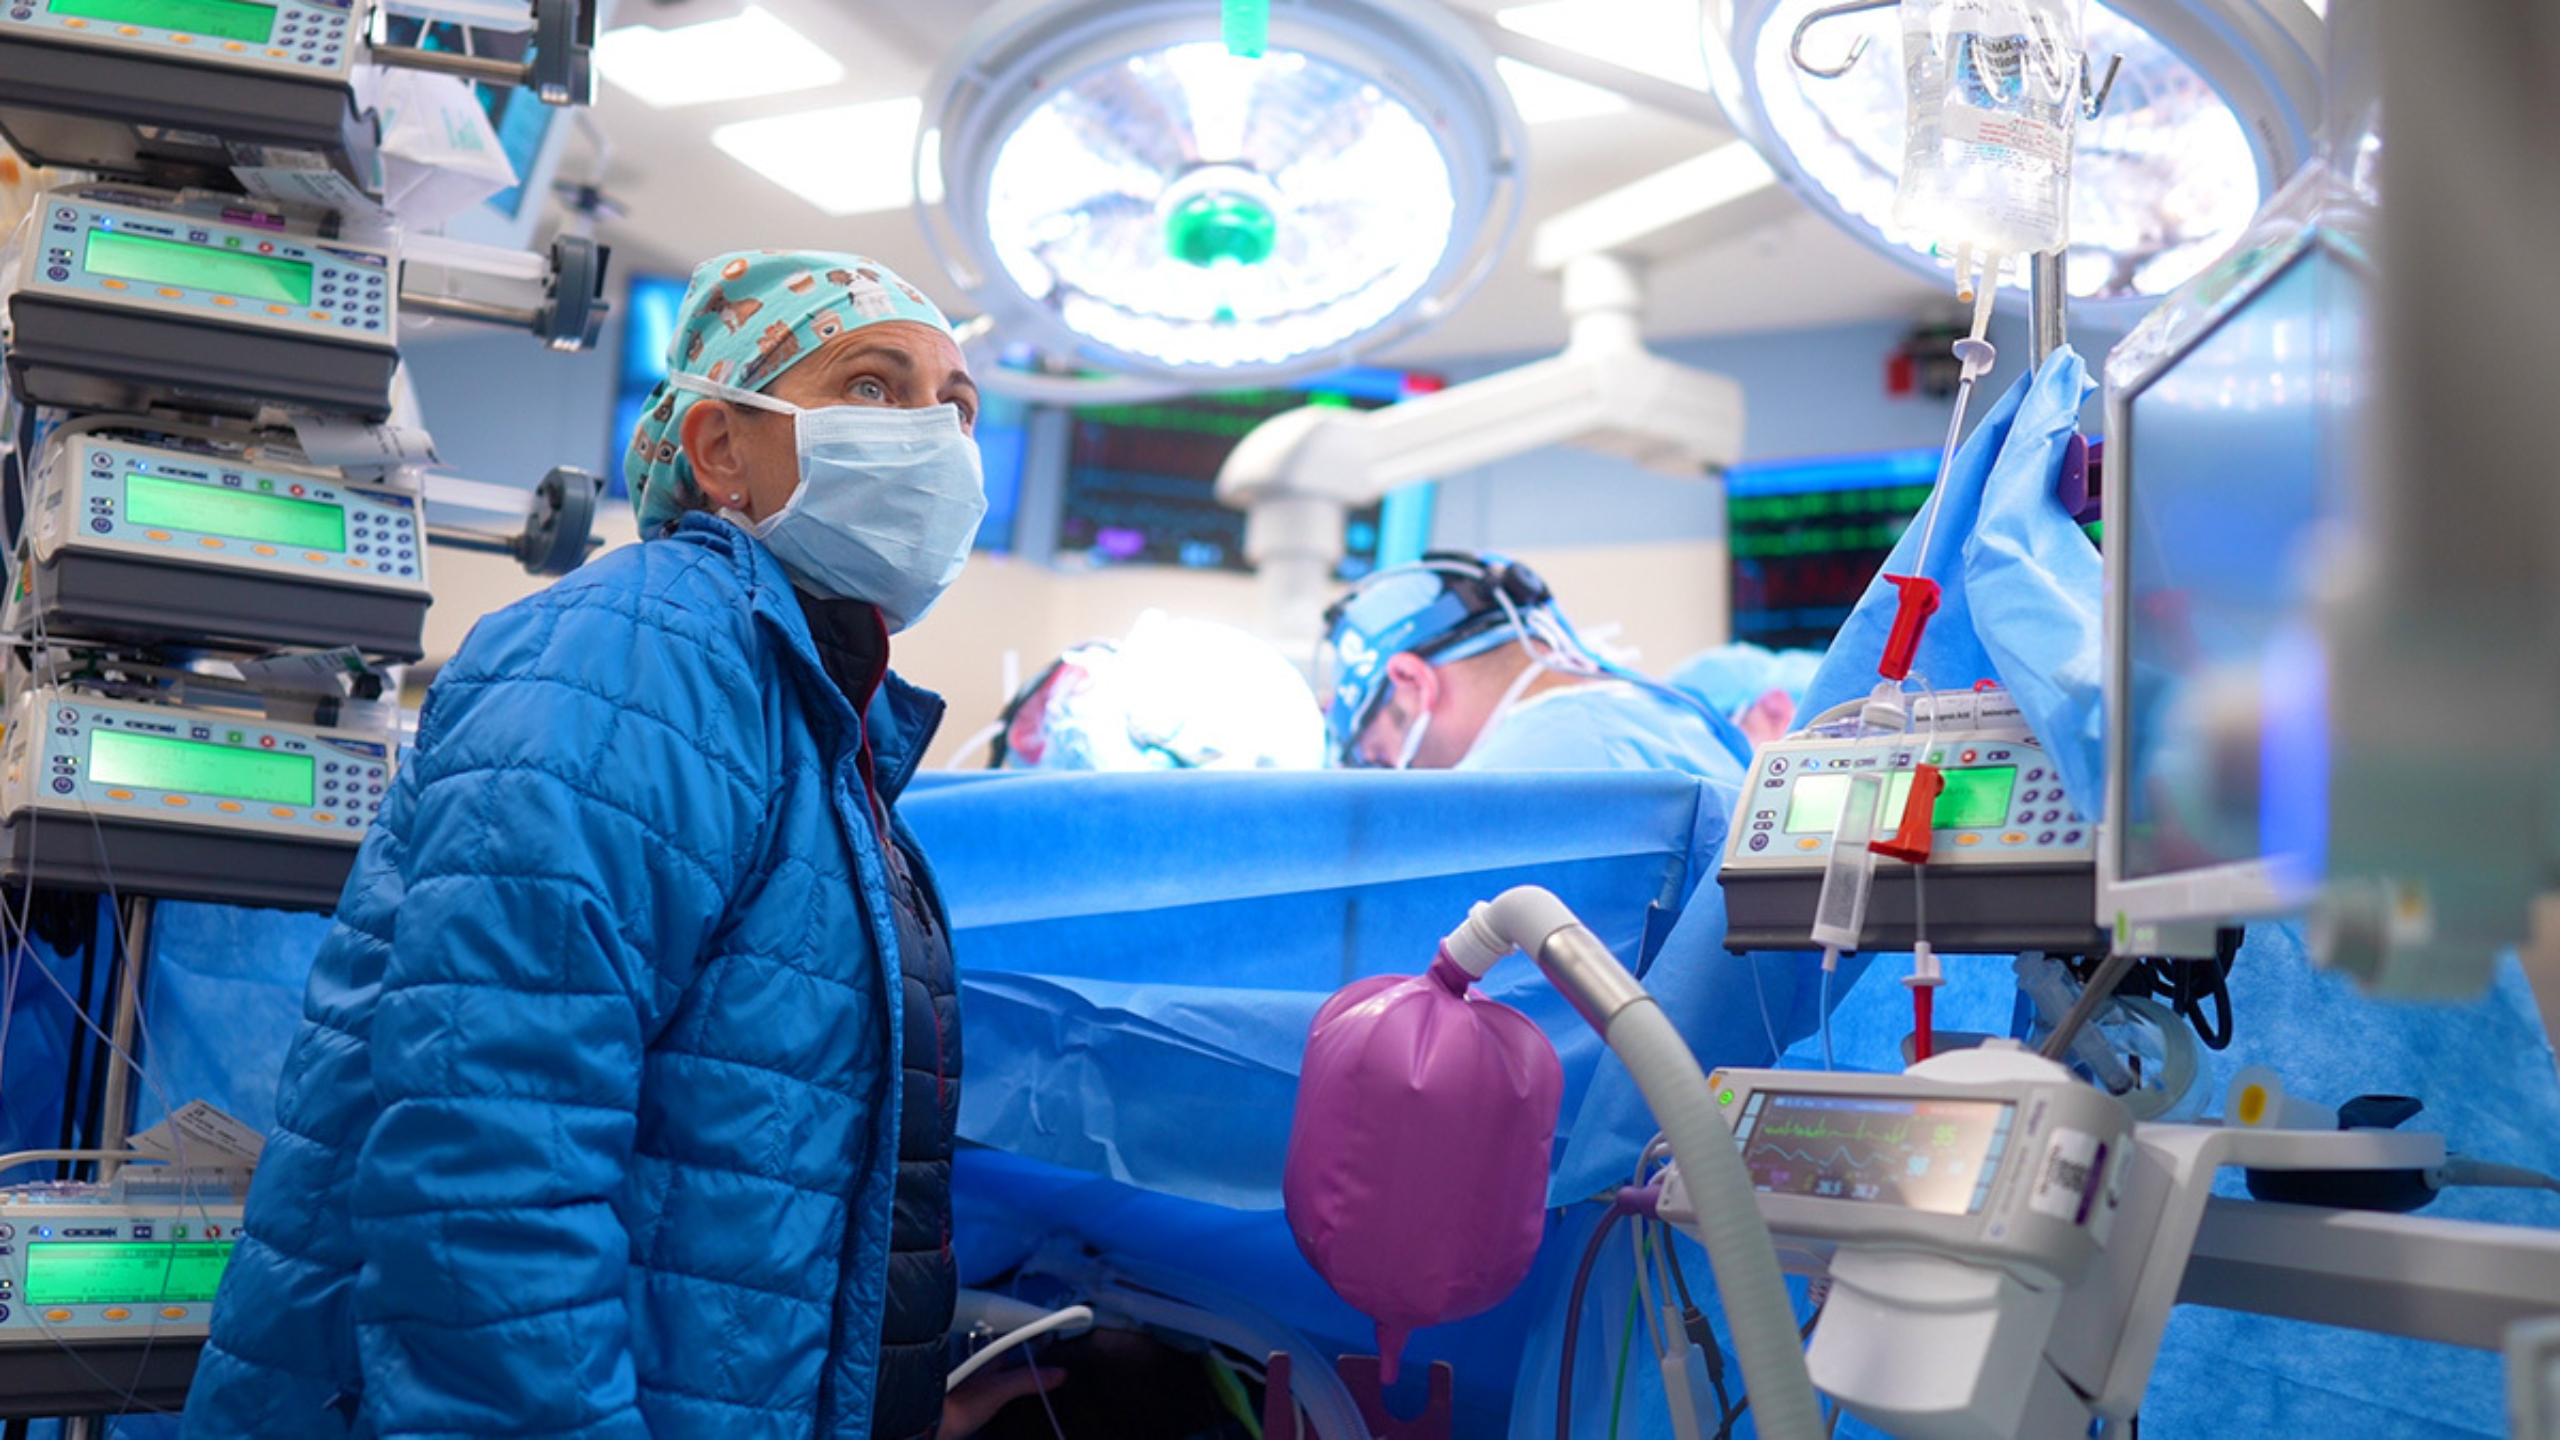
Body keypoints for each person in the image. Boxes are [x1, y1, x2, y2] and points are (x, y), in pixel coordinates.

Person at [183, 251, 1031, 1440]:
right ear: (719, 450)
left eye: (955, 408)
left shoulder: (805, 712)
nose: (934, 439)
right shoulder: (630, 657)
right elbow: (489, 1157)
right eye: (875, 388)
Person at [1320, 550, 1754, 779]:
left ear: (1412, 680)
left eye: (1379, 758)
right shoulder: (1673, 717)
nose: (1394, 773)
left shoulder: (1508, 783)